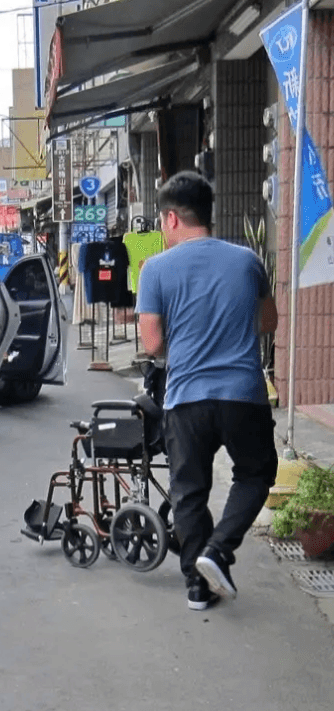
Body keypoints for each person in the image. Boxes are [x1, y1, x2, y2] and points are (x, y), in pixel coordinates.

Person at [136, 171, 278, 611]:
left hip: (186, 398)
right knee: (255, 473)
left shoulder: (155, 268)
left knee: (189, 491)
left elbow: (153, 343)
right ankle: (218, 548)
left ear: (173, 219)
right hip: (243, 394)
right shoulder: (247, 260)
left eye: (162, 221)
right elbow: (268, 322)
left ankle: (198, 586)